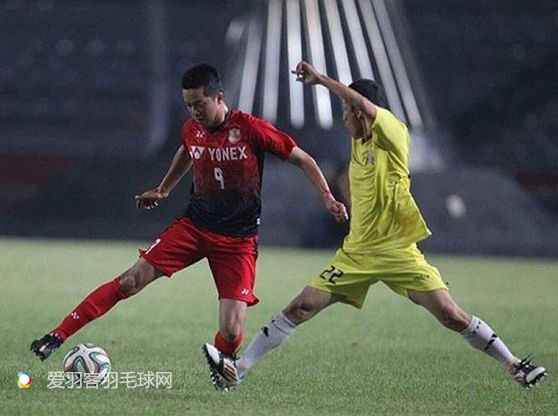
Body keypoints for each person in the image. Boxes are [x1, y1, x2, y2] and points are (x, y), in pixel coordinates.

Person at [202, 61, 547, 391]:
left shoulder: (393, 131)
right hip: (357, 253)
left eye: (345, 111)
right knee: (301, 306)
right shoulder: (358, 144)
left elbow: (366, 107)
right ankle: (239, 370)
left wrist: (322, 80)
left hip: (398, 252)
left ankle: (515, 365)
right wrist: (340, 203)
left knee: (450, 314)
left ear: (358, 111)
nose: (343, 118)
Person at [30, 64, 348, 368]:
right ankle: (57, 335)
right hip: (194, 228)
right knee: (130, 280)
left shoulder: (250, 128)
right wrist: (164, 189)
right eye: (188, 105)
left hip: (237, 241)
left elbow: (303, 159)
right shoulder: (192, 129)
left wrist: (328, 197)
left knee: (231, 332)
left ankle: (225, 365)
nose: (194, 112)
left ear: (219, 97)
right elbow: (186, 150)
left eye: (199, 104)